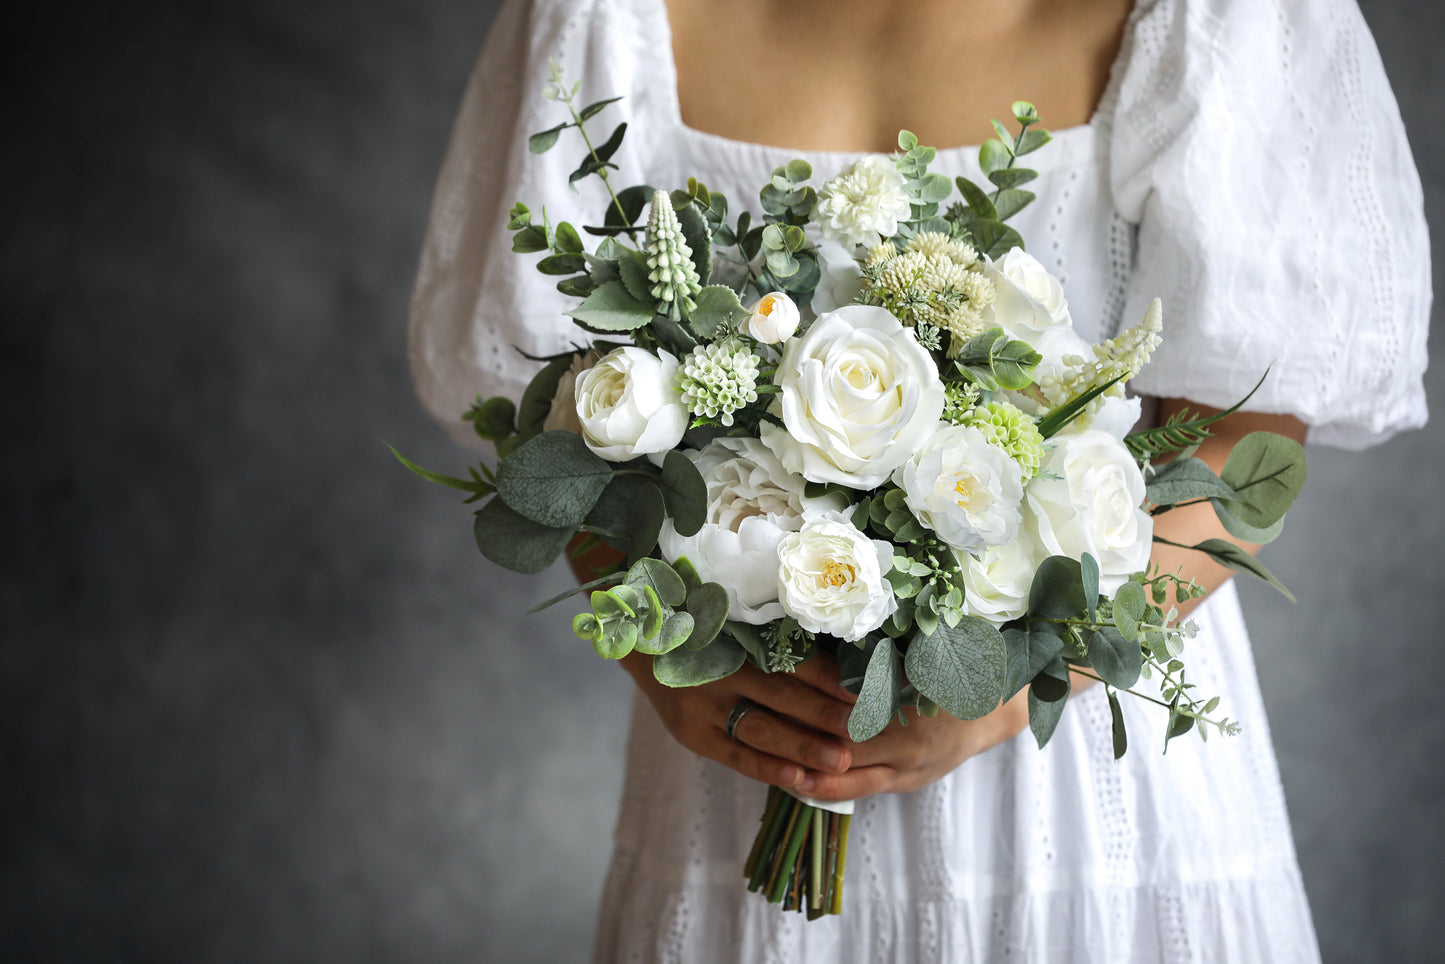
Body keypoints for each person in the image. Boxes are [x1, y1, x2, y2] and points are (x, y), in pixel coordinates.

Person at [408, 0, 1430, 959]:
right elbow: (559, 412)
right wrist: (665, 662)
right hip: (746, 760)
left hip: (1082, 779)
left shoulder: (1210, 21)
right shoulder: (605, 23)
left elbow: (1252, 438)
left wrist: (999, 695)